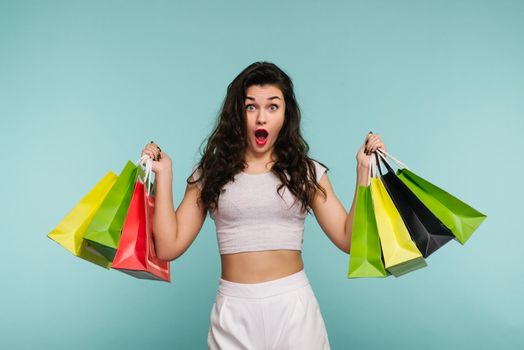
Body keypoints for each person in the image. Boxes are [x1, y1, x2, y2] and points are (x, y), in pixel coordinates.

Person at [141, 62, 386, 350]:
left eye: (272, 107)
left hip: (293, 308)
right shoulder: (210, 173)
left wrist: (363, 173)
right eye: (250, 107)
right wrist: (164, 174)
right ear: (237, 113)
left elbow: (348, 239)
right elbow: (169, 247)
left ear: (286, 114)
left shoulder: (306, 172)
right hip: (233, 309)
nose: (261, 118)